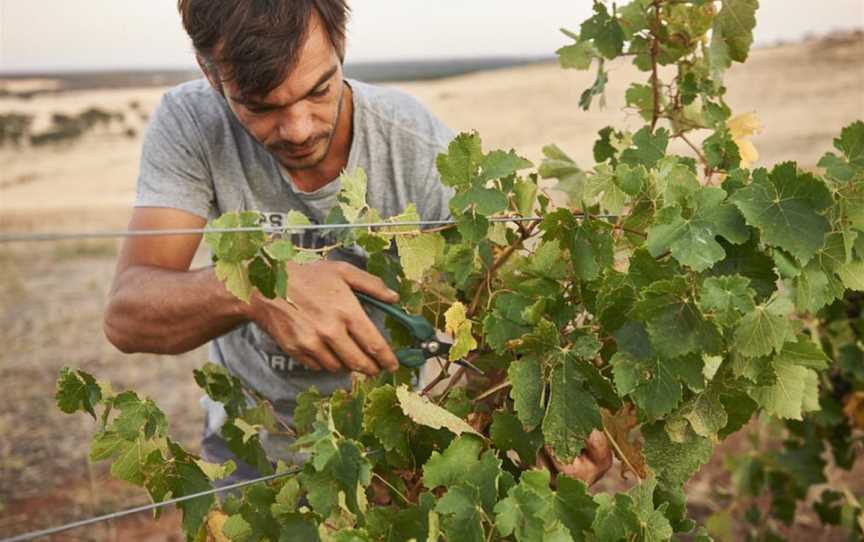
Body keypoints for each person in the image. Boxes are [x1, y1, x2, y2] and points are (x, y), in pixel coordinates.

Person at [103, 0, 611, 488]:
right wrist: (255, 292)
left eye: (319, 90)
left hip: (389, 460)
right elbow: (127, 316)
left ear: (341, 41)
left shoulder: (417, 148)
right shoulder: (191, 122)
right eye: (261, 107)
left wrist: (548, 431)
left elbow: (497, 326)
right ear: (209, 72)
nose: (298, 129)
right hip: (248, 455)